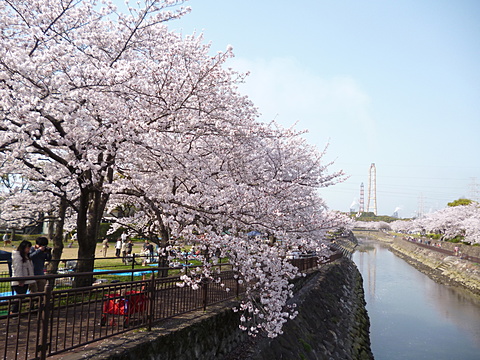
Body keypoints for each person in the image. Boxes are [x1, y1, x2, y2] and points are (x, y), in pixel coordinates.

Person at [11, 240, 36, 314]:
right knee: (19, 297)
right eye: (28, 248)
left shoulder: (25, 256)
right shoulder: (18, 256)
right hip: (20, 281)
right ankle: (14, 311)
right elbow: (18, 268)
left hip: (25, 279)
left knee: (21, 297)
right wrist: (20, 280)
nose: (29, 250)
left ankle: (16, 312)